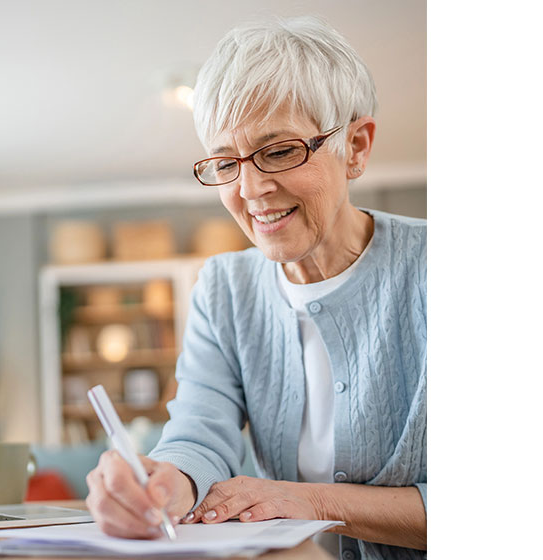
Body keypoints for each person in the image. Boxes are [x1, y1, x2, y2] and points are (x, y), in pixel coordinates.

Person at [85, 16, 426, 560]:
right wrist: (165, 483)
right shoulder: (224, 289)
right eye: (226, 162)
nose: (250, 189)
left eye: (280, 150)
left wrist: (310, 502)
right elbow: (199, 434)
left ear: (356, 147)